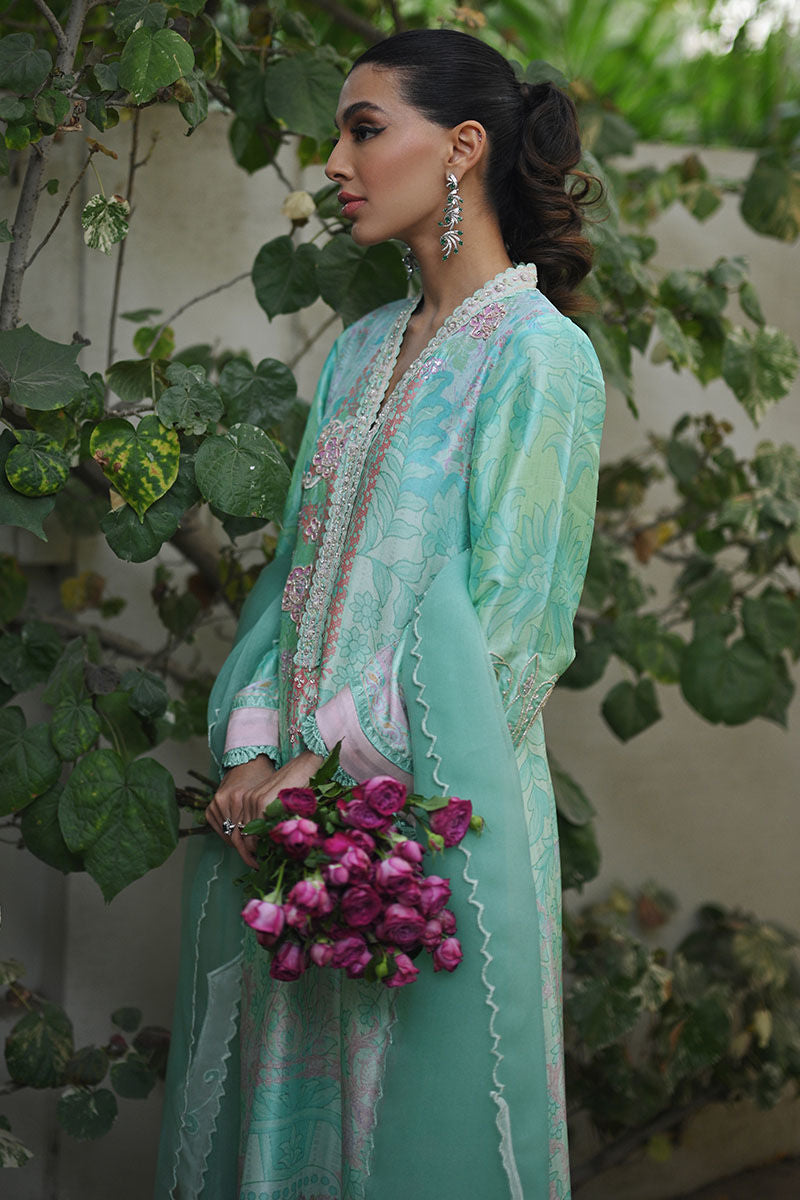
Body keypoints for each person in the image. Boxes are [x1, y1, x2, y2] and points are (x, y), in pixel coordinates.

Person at [156, 27, 605, 1200]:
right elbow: (295, 578)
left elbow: (513, 633)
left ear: (462, 149)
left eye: (364, 130)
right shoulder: (359, 353)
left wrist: (337, 771)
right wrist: (258, 754)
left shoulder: (538, 358)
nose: (335, 163)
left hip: (434, 829)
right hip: (296, 835)